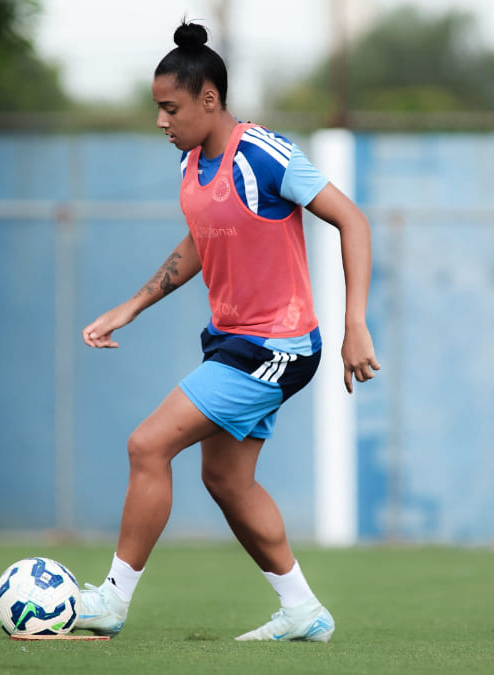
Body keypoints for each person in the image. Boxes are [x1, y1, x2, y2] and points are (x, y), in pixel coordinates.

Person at [74, 21, 379, 643]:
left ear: (208, 100)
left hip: (279, 347)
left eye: (170, 107)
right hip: (233, 341)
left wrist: (355, 324)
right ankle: (303, 611)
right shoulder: (192, 162)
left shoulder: (262, 153)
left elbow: (352, 220)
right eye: (158, 108)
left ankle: (110, 601)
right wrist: (131, 305)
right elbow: (202, 242)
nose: (161, 120)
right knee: (227, 480)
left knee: (147, 446)